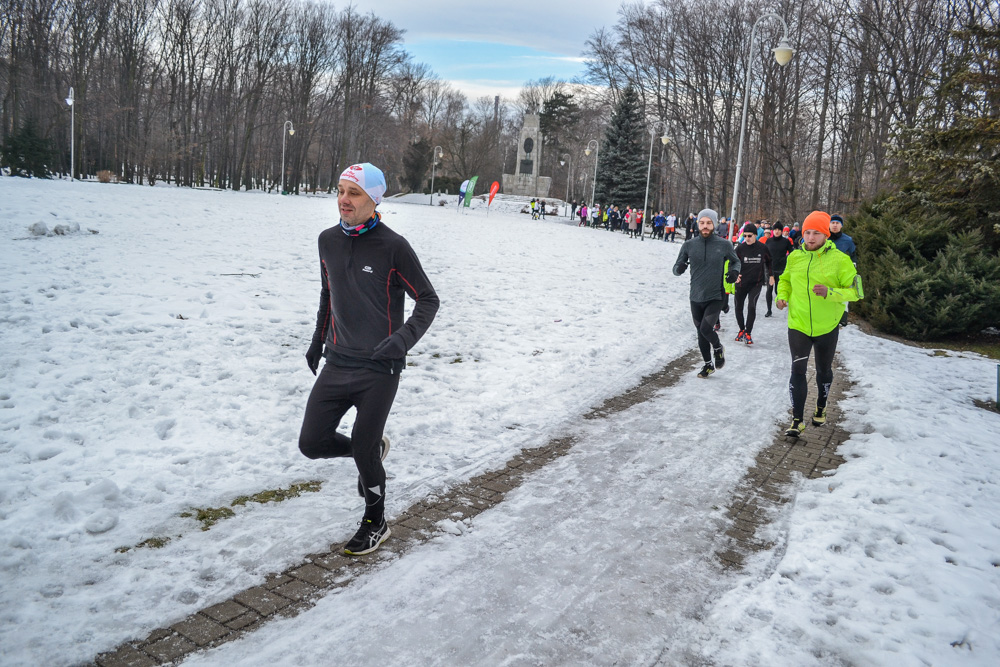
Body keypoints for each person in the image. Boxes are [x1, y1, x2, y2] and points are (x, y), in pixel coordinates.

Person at [299, 162, 440, 555]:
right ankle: (371, 452)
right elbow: (329, 295)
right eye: (341, 190)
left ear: (374, 199)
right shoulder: (327, 240)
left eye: (354, 193)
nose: (344, 200)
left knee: (362, 445)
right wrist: (317, 341)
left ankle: (375, 521)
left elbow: (428, 299)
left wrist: (402, 341)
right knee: (312, 443)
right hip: (338, 359)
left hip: (381, 366)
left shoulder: (393, 246)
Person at [776, 210, 863, 438]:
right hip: (799, 322)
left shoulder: (841, 261)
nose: (811, 238)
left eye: (816, 233)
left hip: (827, 325)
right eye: (807, 232)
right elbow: (785, 279)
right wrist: (781, 296)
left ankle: (822, 406)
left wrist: (830, 292)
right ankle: (797, 420)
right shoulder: (795, 257)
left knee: (823, 370)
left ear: (826, 235)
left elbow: (857, 291)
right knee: (798, 369)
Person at [673, 208, 741, 378]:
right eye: (702, 222)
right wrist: (679, 268)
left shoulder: (724, 245)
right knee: (700, 332)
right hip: (695, 296)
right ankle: (708, 364)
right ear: (698, 224)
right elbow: (675, 268)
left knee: (705, 328)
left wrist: (733, 273)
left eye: (708, 223)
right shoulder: (689, 245)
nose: (705, 226)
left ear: (714, 224)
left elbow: (736, 261)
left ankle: (718, 348)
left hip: (715, 295)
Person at [733, 223, 773, 345]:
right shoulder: (740, 248)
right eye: (745, 236)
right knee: (738, 307)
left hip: (756, 283)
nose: (747, 238)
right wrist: (735, 275)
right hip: (741, 283)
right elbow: (732, 262)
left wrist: (771, 276)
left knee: (751, 306)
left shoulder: (762, 248)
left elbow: (769, 261)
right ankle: (741, 329)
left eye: (750, 236)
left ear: (755, 235)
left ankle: (748, 332)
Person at [828, 214, 857, 327]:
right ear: (829, 225)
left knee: (843, 294)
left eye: (837, 223)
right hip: (826, 270)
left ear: (841, 226)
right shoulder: (824, 237)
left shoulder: (847, 240)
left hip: (841, 271)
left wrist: (853, 265)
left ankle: (843, 318)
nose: (835, 225)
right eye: (833, 223)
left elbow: (853, 254)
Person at [764, 224, 794, 316]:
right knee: (769, 289)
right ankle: (769, 310)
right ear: (773, 231)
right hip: (770, 268)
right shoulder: (768, 241)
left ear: (781, 231)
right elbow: (765, 253)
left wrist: (785, 259)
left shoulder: (786, 241)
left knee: (778, 289)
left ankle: (783, 303)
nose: (777, 231)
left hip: (781, 269)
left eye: (779, 229)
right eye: (775, 229)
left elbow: (792, 253)